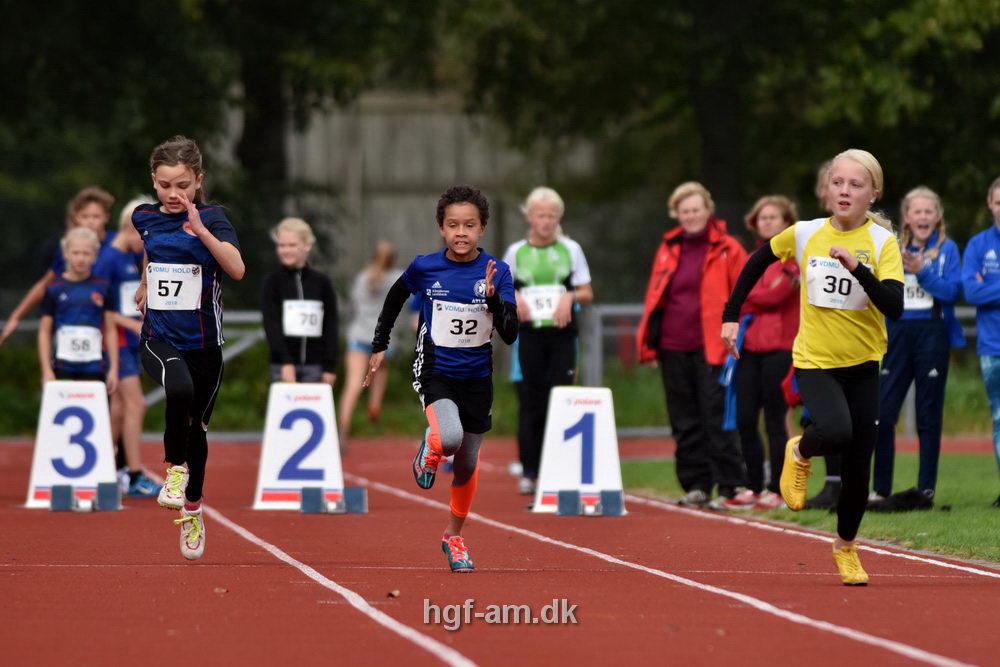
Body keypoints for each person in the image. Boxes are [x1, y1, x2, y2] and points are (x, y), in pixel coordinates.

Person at [723, 148, 904, 585]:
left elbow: (894, 306)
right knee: (837, 433)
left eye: (855, 185)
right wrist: (731, 314)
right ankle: (799, 450)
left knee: (860, 464)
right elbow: (757, 262)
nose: (845, 191)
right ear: (826, 190)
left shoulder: (883, 243)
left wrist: (859, 269)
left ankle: (846, 547)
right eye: (837, 183)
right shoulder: (804, 233)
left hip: (863, 364)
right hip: (814, 361)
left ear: (873, 193)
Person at [364, 185, 517, 573]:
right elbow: (395, 298)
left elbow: (512, 332)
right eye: (453, 225)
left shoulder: (498, 272)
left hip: (478, 377)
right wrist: (379, 344)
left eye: (469, 225)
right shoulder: (425, 267)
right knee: (449, 437)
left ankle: (454, 537)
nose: (461, 232)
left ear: (482, 229)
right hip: (436, 373)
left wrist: (494, 300)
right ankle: (432, 446)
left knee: (466, 465)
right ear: (441, 228)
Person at [134, 136, 244, 560]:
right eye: (164, 185)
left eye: (182, 185)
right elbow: (150, 252)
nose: (173, 194)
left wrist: (200, 231)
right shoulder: (143, 217)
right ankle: (174, 469)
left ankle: (194, 507)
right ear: (154, 182)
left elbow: (236, 268)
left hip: (205, 344)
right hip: (159, 336)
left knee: (197, 428)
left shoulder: (214, 220)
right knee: (176, 387)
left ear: (199, 180)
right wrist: (146, 282)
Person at [636, 181, 747, 508]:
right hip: (673, 345)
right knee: (684, 420)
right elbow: (655, 296)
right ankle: (697, 484)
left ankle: (730, 486)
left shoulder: (729, 247)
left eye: (696, 209)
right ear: (676, 214)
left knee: (717, 416)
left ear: (708, 210)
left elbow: (743, 294)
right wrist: (650, 343)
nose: (691, 215)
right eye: (685, 211)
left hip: (715, 346)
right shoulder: (668, 248)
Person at [872, 187, 963, 507]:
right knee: (882, 414)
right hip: (896, 334)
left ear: (937, 216)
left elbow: (952, 292)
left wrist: (922, 272)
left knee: (927, 415)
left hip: (932, 334)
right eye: (917, 212)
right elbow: (882, 291)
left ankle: (926, 489)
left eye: (929, 212)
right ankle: (880, 488)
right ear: (907, 217)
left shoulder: (947, 250)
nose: (923, 217)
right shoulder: (893, 248)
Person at [502, 187, 593, 495]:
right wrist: (514, 296)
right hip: (529, 335)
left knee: (563, 397)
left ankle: (564, 468)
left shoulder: (571, 249)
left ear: (559, 218)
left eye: (552, 216)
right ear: (529, 217)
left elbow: (587, 291)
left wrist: (569, 295)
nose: (546, 221)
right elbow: (498, 289)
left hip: (563, 335)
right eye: (541, 215)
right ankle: (530, 470)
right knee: (531, 400)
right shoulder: (516, 252)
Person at [724, 196, 799, 511]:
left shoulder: (794, 259)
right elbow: (738, 295)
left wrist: (747, 297)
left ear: (786, 223)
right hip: (749, 349)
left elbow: (774, 296)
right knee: (744, 419)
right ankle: (753, 486)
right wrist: (748, 297)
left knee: (775, 422)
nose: (767, 222)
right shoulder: (753, 257)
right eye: (762, 218)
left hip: (780, 349)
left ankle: (779, 489)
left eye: (774, 217)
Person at [94, 198, 160, 499]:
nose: (146, 245)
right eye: (144, 237)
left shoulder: (127, 258)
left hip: (128, 341)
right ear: (130, 229)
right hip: (116, 342)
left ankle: (102, 470)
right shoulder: (108, 259)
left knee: (120, 409)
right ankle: (133, 475)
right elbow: (98, 306)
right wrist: (129, 324)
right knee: (137, 405)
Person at [2, 187, 116, 346]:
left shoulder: (119, 244)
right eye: (85, 216)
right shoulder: (71, 250)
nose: (90, 221)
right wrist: (16, 316)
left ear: (106, 217)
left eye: (96, 216)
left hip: (115, 324)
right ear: (76, 218)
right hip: (78, 324)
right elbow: (44, 284)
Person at [38, 227, 119, 394]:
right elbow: (44, 332)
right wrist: (46, 369)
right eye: (75, 253)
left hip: (94, 365)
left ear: (95, 255)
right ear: (65, 253)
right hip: (61, 365)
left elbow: (111, 330)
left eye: (86, 253)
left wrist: (114, 369)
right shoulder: (54, 289)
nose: (81, 258)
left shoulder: (103, 288)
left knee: (95, 414)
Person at [261, 216, 339, 388]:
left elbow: (331, 325)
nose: (285, 250)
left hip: (315, 366)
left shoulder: (322, 282)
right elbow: (271, 324)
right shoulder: (272, 282)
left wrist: (329, 366)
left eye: (292, 245)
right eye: (281, 245)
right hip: (282, 366)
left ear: (307, 245)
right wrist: (285, 362)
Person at [961, 176, 1000, 509]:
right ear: (990, 204)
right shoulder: (977, 245)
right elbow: (971, 292)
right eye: (999, 202)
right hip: (992, 346)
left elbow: (983, 289)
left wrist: (991, 287)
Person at [338, 240, 399, 447]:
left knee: (353, 384)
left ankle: (343, 425)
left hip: (358, 335)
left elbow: (352, 306)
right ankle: (374, 404)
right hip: (383, 338)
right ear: (393, 260)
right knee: (380, 371)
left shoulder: (362, 278)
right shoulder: (396, 278)